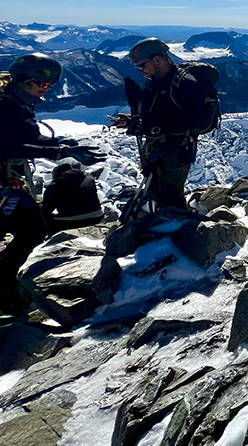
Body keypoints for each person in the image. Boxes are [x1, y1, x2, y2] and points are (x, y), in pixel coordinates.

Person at [0, 54, 98, 295]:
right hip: (4, 179)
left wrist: (57, 142)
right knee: (32, 230)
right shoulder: (7, 105)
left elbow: (27, 138)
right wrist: (59, 150)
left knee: (28, 229)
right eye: (43, 84)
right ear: (24, 80)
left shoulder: (15, 101)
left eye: (50, 85)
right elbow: (11, 146)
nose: (47, 89)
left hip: (6, 179)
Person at [113, 38, 207, 211]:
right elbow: (155, 115)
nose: (140, 71)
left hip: (176, 152)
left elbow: (195, 122)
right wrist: (134, 112)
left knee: (170, 197)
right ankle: (165, 230)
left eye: (142, 66)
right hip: (156, 149)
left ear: (157, 60)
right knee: (156, 192)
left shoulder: (185, 83)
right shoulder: (155, 81)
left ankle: (180, 232)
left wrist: (157, 130)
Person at [41, 159, 104, 234]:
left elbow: (46, 210)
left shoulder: (54, 185)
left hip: (73, 221)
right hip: (97, 216)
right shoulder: (88, 178)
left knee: (44, 218)